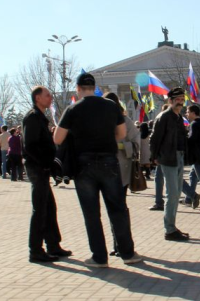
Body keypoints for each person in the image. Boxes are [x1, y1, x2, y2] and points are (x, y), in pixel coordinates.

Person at [54, 73, 142, 267]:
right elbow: (121, 133)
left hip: (83, 165)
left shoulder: (73, 109)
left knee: (92, 214)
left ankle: (99, 257)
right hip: (109, 162)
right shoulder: (111, 106)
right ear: (94, 87)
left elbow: (58, 139)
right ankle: (128, 253)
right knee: (118, 209)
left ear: (77, 89)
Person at [22, 86, 70, 263]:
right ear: (37, 98)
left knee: (49, 207)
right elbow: (30, 145)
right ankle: (35, 250)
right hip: (37, 168)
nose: (50, 98)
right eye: (47, 95)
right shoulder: (33, 117)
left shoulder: (40, 117)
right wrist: (43, 164)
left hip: (42, 167)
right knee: (40, 209)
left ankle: (53, 245)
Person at [149, 87, 190, 242]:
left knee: (177, 193)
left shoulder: (178, 117)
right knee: (172, 194)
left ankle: (172, 226)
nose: (180, 102)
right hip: (168, 157)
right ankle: (169, 230)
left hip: (178, 156)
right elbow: (155, 138)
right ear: (170, 101)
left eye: (182, 99)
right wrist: (154, 157)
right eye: (177, 99)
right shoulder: (164, 116)